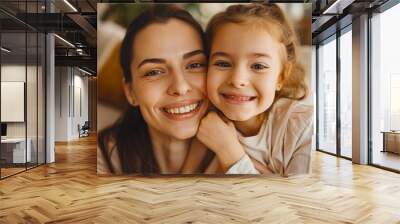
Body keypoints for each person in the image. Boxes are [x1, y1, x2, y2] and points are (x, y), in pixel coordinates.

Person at [188, 3, 313, 176]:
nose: (238, 80)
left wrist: (229, 153)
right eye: (223, 63)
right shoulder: (203, 124)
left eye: (258, 66)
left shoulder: (303, 126)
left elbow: (299, 200)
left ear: (281, 76)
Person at [97, 5, 213, 174]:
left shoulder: (250, 152)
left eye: (195, 65)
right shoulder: (100, 158)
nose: (180, 87)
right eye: (154, 72)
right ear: (130, 92)